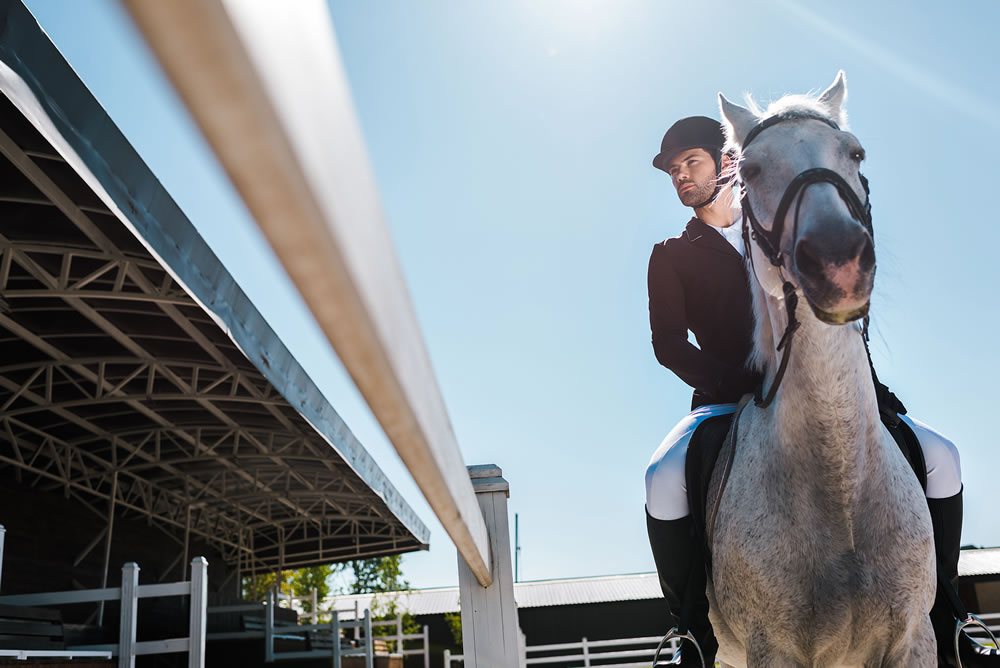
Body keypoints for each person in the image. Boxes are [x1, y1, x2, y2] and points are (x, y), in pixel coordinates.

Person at [643, 116, 996, 667]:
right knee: (662, 477)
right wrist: (737, 382)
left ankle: (950, 615)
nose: (679, 176)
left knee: (942, 457)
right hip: (725, 401)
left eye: (691, 162)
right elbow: (668, 345)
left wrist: (869, 388)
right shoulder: (671, 254)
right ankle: (690, 633)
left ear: (727, 163)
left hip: (821, 391)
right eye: (672, 170)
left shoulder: (777, 230)